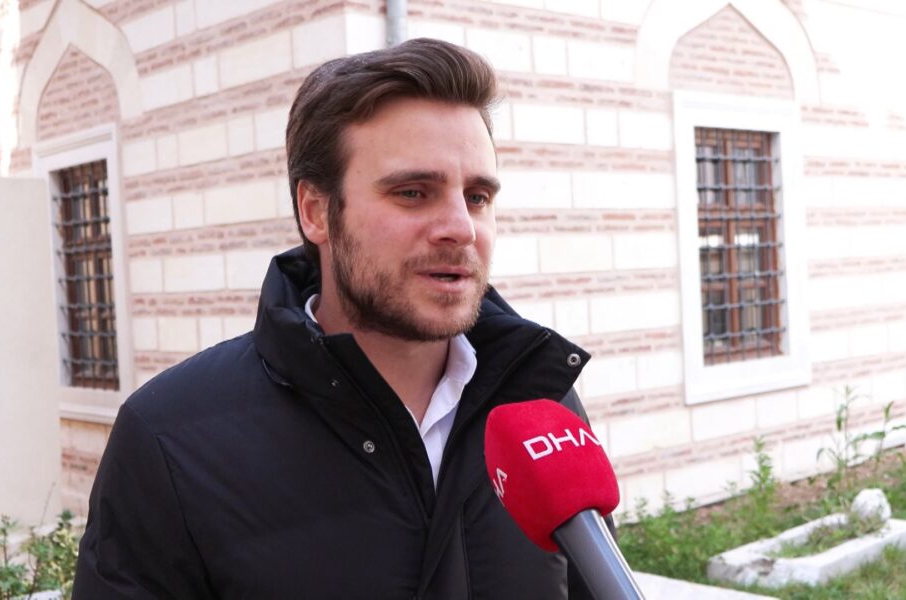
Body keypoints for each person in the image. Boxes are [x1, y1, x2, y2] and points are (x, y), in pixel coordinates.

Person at [73, 38, 600, 599]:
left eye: (477, 197)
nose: (460, 228)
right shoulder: (168, 440)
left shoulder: (541, 409)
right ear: (316, 212)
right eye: (413, 192)